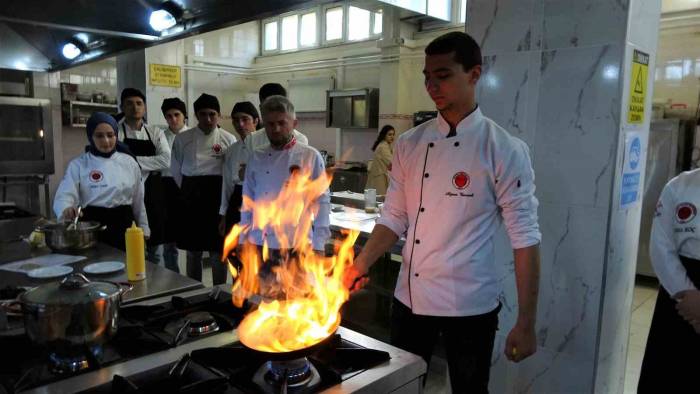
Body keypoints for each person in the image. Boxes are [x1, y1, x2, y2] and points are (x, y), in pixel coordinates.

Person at [342, 32, 541, 393]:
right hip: (410, 299)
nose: (432, 86)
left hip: (470, 305)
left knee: (469, 388)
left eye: (444, 75)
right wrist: (359, 264)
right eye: (427, 77)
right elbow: (394, 217)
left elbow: (525, 239)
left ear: (474, 74)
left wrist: (526, 322)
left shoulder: (504, 149)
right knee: (402, 386)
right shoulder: (409, 144)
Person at [238, 95, 330, 295]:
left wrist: (320, 243)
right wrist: (242, 238)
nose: (276, 129)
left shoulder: (309, 156)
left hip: (296, 245)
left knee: (296, 304)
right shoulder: (257, 156)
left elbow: (322, 202)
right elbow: (248, 200)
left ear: (294, 123)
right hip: (260, 244)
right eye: (271, 124)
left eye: (282, 123)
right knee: (265, 302)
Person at [639, 168, 700, 392]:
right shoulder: (678, 186)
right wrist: (686, 295)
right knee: (668, 376)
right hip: (681, 297)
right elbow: (661, 247)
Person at [54, 112, 150, 250]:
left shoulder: (129, 162)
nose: (106, 141)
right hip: (91, 229)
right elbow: (65, 195)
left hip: (124, 226)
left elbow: (138, 201)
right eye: (99, 136)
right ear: (90, 137)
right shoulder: (78, 165)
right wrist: (66, 209)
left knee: (127, 267)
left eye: (110, 135)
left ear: (116, 135)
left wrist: (144, 229)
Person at [171, 93, 236, 285]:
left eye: (212, 114)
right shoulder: (183, 139)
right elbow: (176, 170)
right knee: (193, 252)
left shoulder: (228, 138)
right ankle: (194, 291)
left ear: (219, 115)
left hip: (217, 197)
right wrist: (188, 192)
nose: (208, 119)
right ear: (196, 115)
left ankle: (219, 290)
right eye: (203, 114)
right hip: (191, 198)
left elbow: (231, 171)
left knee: (218, 251)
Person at [118, 88, 170, 265]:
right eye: (129, 104)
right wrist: (149, 164)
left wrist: (132, 161)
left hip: (153, 195)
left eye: (139, 103)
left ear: (145, 108)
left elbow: (166, 160)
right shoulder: (116, 132)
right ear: (122, 107)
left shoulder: (155, 132)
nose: (135, 107)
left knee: (156, 252)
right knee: (132, 250)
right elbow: (115, 163)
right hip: (127, 194)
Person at [218, 101, 259, 238]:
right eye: (236, 120)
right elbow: (227, 184)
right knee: (235, 249)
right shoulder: (231, 150)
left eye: (245, 119)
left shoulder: (267, 147)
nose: (240, 124)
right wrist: (224, 215)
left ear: (256, 121)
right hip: (237, 198)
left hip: (260, 198)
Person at [159, 97, 189, 273]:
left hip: (187, 188)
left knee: (190, 240)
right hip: (166, 189)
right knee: (169, 241)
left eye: (177, 115)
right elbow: (161, 164)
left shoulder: (192, 135)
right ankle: (173, 276)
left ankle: (191, 278)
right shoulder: (160, 136)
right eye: (169, 116)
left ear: (184, 116)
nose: (173, 119)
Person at [245, 83, 309, 149]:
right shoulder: (251, 139)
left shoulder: (300, 139)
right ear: (261, 108)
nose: (276, 129)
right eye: (268, 108)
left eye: (278, 108)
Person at [366, 125, 396, 195]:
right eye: (389, 134)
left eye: (393, 134)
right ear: (384, 135)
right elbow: (391, 163)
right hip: (379, 178)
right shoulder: (383, 146)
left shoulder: (386, 145)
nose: (392, 137)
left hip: (380, 176)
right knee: (379, 200)